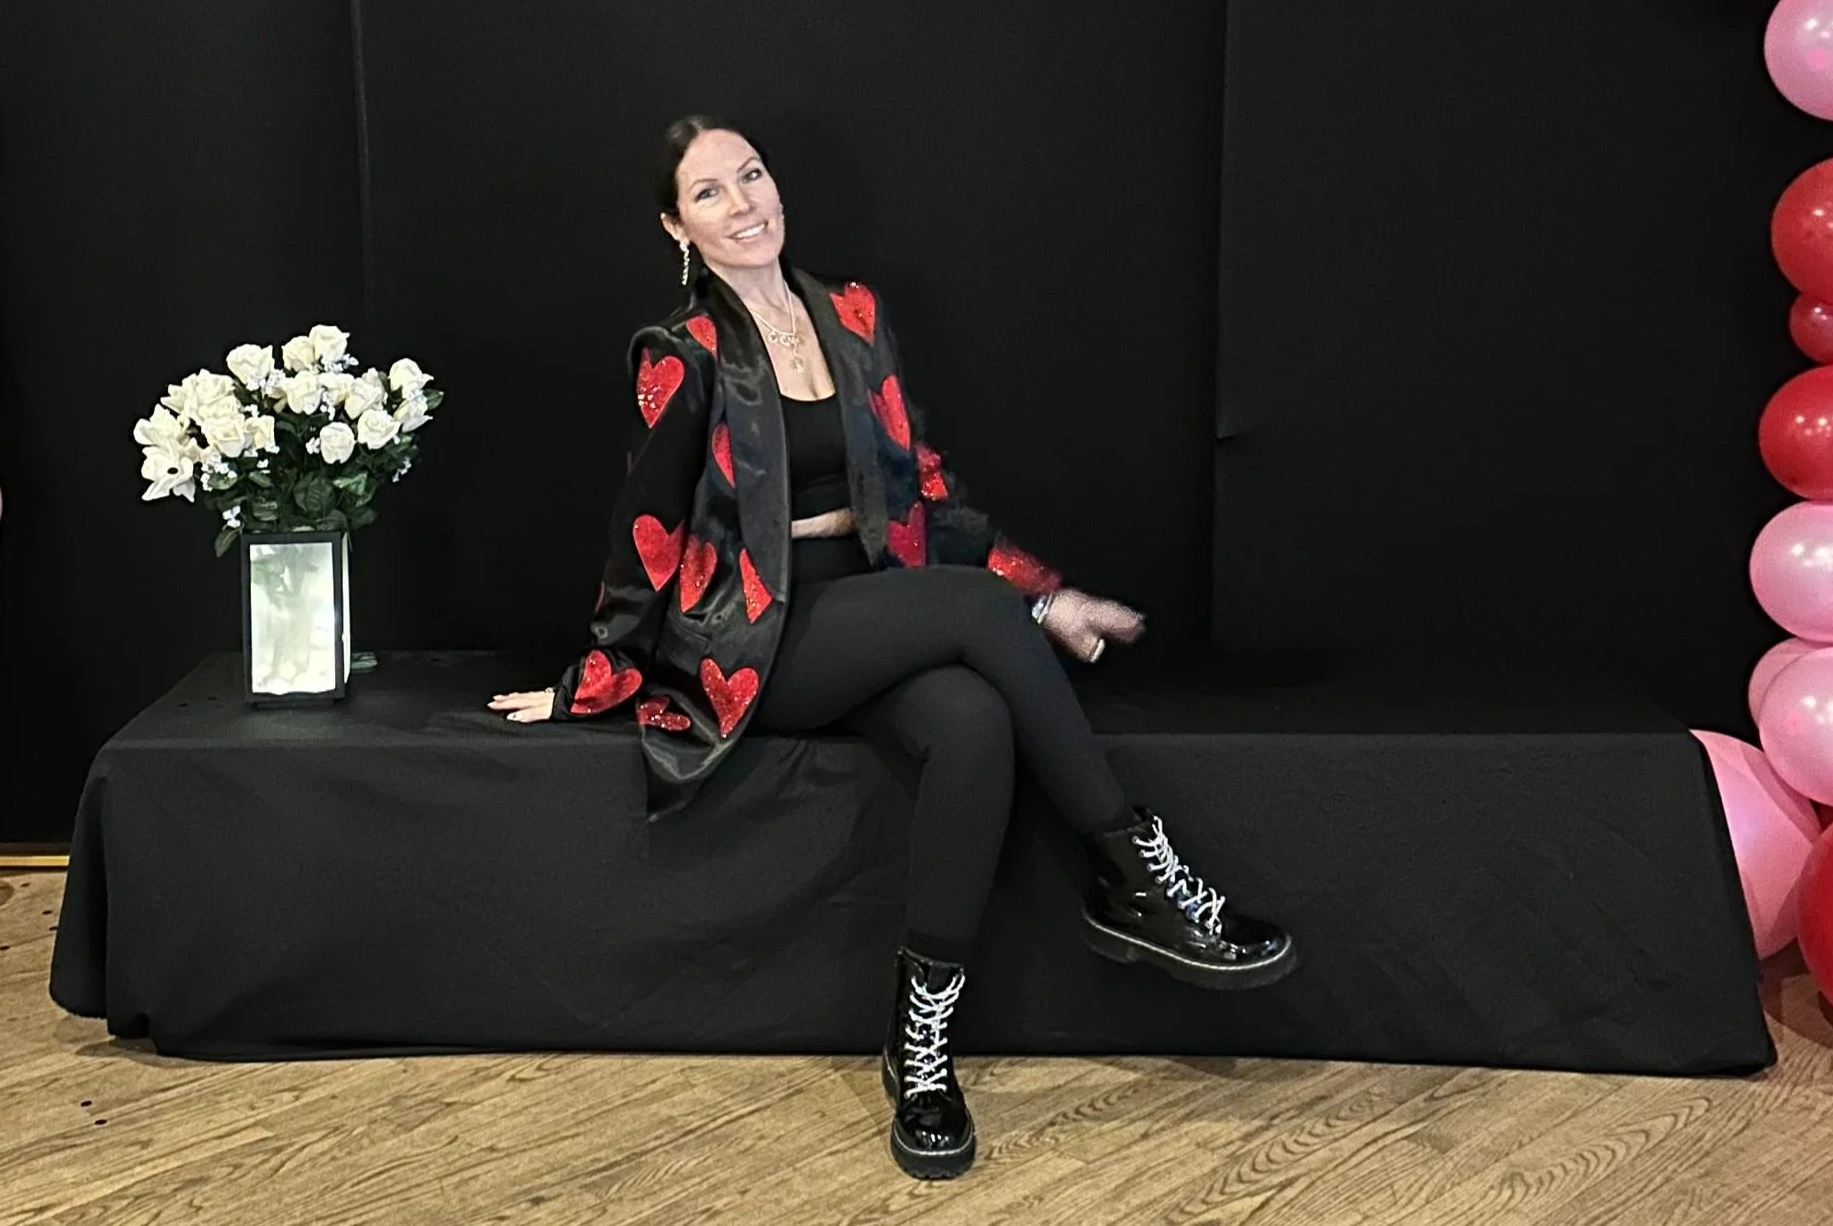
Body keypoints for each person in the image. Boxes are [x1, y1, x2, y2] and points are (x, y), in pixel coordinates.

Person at [490, 117, 1295, 1180]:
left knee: (971, 722)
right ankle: (1137, 872)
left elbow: (927, 493)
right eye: (710, 194)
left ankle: (919, 1049)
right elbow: (646, 534)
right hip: (755, 632)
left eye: (752, 177)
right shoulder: (679, 356)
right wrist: (593, 680)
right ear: (675, 226)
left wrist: (1038, 589)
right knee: (968, 613)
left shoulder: (853, 317)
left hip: (871, 609)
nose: (744, 205)